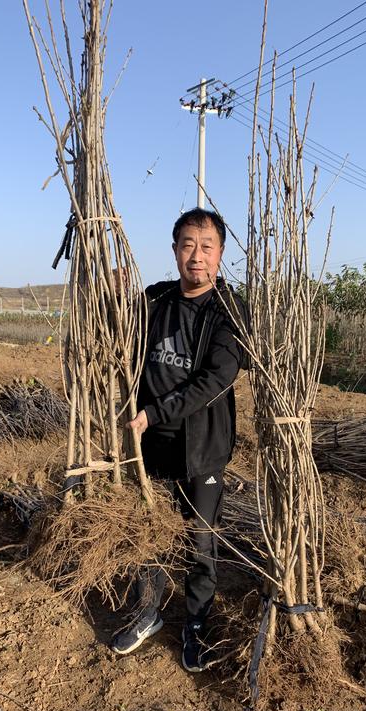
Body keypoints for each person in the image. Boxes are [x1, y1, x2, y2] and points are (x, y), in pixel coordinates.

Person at [110, 207, 247, 672]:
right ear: (174, 250)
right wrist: (113, 293)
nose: (197, 256)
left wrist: (154, 412)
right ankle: (147, 611)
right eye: (188, 245)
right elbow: (118, 332)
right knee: (149, 533)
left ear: (220, 255)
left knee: (199, 540)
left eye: (207, 247)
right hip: (150, 445)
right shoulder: (155, 300)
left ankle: (195, 625)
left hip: (202, 448)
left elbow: (215, 379)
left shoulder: (229, 312)